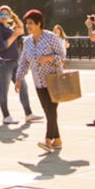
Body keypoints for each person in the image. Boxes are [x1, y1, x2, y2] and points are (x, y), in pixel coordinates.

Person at [14, 9, 67, 152]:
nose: (28, 26)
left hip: (53, 80)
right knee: (49, 112)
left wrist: (49, 58)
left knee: (51, 111)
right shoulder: (27, 42)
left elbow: (62, 57)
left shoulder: (50, 37)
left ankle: (48, 141)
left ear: (39, 23)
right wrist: (19, 78)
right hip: (39, 82)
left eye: (31, 23)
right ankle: (58, 140)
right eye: (27, 23)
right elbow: (24, 62)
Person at [0, 6, 40, 125]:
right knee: (4, 89)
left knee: (23, 86)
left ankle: (28, 114)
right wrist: (14, 35)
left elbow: (21, 28)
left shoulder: (8, 27)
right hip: (3, 63)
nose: (4, 17)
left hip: (14, 62)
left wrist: (15, 18)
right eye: (2, 14)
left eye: (7, 14)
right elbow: (2, 46)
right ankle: (6, 116)